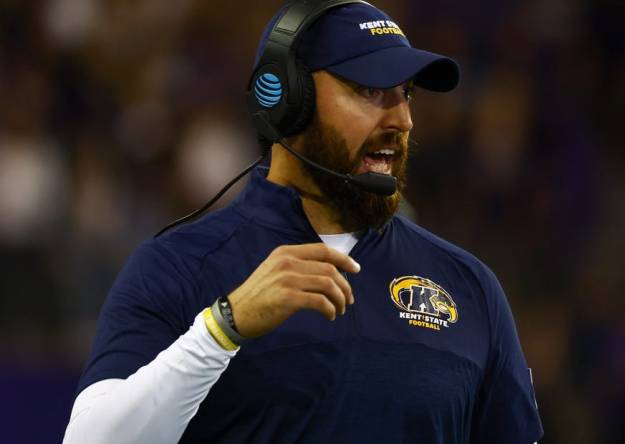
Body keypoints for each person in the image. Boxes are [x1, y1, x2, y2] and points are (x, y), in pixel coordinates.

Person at [64, 1, 544, 443]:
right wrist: (220, 332)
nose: (402, 120)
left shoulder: (468, 287)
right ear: (285, 99)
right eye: (370, 90)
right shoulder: (180, 267)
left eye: (407, 94)